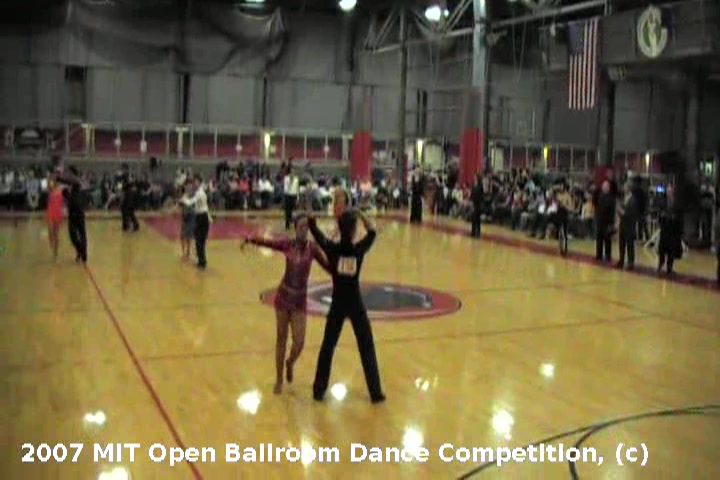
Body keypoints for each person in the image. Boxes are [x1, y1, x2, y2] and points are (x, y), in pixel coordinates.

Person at [242, 214, 330, 394]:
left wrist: (342, 271)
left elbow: (328, 266)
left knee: (299, 342)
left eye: (306, 227)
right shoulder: (287, 244)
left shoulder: (312, 249)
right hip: (283, 298)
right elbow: (268, 243)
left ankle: (290, 362)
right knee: (281, 339)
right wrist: (250, 239)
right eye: (301, 227)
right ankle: (279, 379)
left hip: (299, 301)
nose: (304, 230)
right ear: (295, 228)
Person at [307, 209, 385, 404]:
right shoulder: (358, 250)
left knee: (328, 346)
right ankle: (375, 392)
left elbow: (316, 232)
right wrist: (361, 214)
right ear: (353, 230)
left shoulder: (332, 249)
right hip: (355, 303)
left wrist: (312, 220)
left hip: (338, 303)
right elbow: (372, 232)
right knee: (366, 346)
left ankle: (318, 390)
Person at [57, 166, 88, 263]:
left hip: (79, 211)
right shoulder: (68, 187)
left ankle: (84, 253)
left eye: (69, 173)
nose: (67, 174)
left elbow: (70, 181)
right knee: (72, 234)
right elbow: (68, 198)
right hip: (72, 212)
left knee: (82, 233)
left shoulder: (77, 181)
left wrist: (59, 178)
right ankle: (80, 250)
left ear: (73, 174)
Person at [180, 175, 211, 269]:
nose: (194, 183)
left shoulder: (200, 193)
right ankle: (201, 261)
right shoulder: (198, 191)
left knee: (200, 241)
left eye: (196, 182)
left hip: (203, 218)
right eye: (194, 182)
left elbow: (190, 202)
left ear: (200, 182)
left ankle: (202, 262)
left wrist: (183, 199)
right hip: (200, 217)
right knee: (198, 241)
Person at [657, 184, 682, 275]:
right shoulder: (663, 201)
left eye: (670, 191)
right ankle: (660, 264)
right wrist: (662, 216)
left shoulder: (677, 203)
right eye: (668, 191)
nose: (669, 192)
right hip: (665, 228)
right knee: (662, 249)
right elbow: (659, 213)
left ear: (673, 192)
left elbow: (679, 214)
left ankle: (669, 268)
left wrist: (674, 218)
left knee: (671, 249)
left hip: (673, 230)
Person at [617, 182, 638, 270]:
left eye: (625, 187)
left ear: (629, 188)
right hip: (622, 224)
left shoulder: (633, 200)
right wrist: (619, 211)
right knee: (621, 244)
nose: (624, 189)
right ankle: (621, 260)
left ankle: (630, 262)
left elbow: (629, 214)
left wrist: (621, 211)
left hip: (629, 226)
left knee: (630, 245)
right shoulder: (624, 199)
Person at [594, 180, 615, 262]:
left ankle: (607, 256)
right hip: (599, 220)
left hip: (607, 222)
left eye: (606, 187)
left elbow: (612, 212)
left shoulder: (612, 198)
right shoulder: (599, 196)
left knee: (607, 240)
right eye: (603, 186)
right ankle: (598, 254)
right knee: (599, 239)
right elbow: (595, 205)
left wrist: (611, 223)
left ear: (609, 188)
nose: (604, 188)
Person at [45, 174, 64, 261]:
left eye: (58, 180)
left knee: (56, 235)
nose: (56, 182)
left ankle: (55, 254)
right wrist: (50, 176)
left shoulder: (61, 190)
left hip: (58, 212)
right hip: (50, 212)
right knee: (50, 231)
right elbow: (48, 181)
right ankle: (51, 243)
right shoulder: (50, 189)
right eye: (55, 180)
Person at [178, 183, 195, 260]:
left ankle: (188, 252)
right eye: (187, 188)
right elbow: (179, 206)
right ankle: (183, 252)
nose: (188, 189)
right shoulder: (183, 197)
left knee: (189, 237)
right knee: (182, 236)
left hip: (191, 219)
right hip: (184, 219)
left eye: (190, 188)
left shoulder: (194, 198)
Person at [470, 173, 483, 238]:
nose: (474, 178)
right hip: (474, 204)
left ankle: (478, 232)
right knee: (473, 218)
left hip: (478, 204)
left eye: (475, 177)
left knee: (477, 219)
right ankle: (473, 232)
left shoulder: (480, 186)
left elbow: (479, 195)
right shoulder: (474, 185)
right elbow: (472, 194)